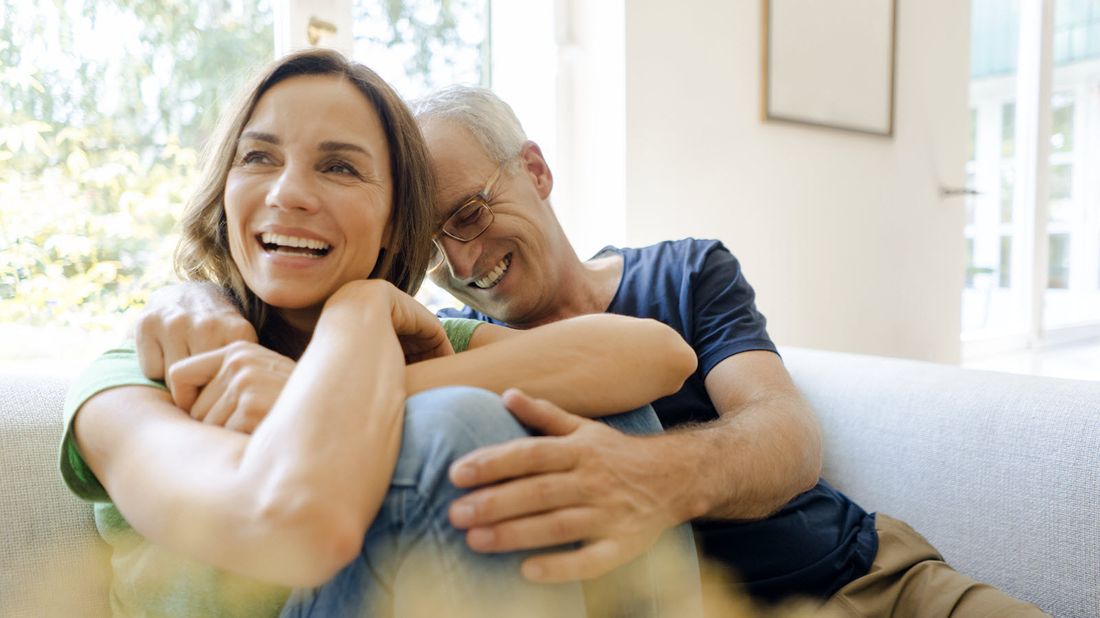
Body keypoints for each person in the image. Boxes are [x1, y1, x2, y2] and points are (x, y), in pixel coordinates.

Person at [135, 80, 1048, 616]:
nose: (464, 260)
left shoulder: (683, 274)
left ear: (533, 171)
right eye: (432, 246)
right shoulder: (452, 349)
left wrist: (657, 478)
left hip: (868, 579)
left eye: (470, 214)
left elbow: (784, 435)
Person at [59, 50, 703, 617]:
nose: (289, 192)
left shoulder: (404, 336)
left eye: (339, 167)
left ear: (397, 224)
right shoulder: (140, 370)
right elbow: (286, 524)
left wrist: (356, 333)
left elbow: (656, 355)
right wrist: (349, 357)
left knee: (615, 416)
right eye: (258, 156)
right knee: (456, 421)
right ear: (225, 193)